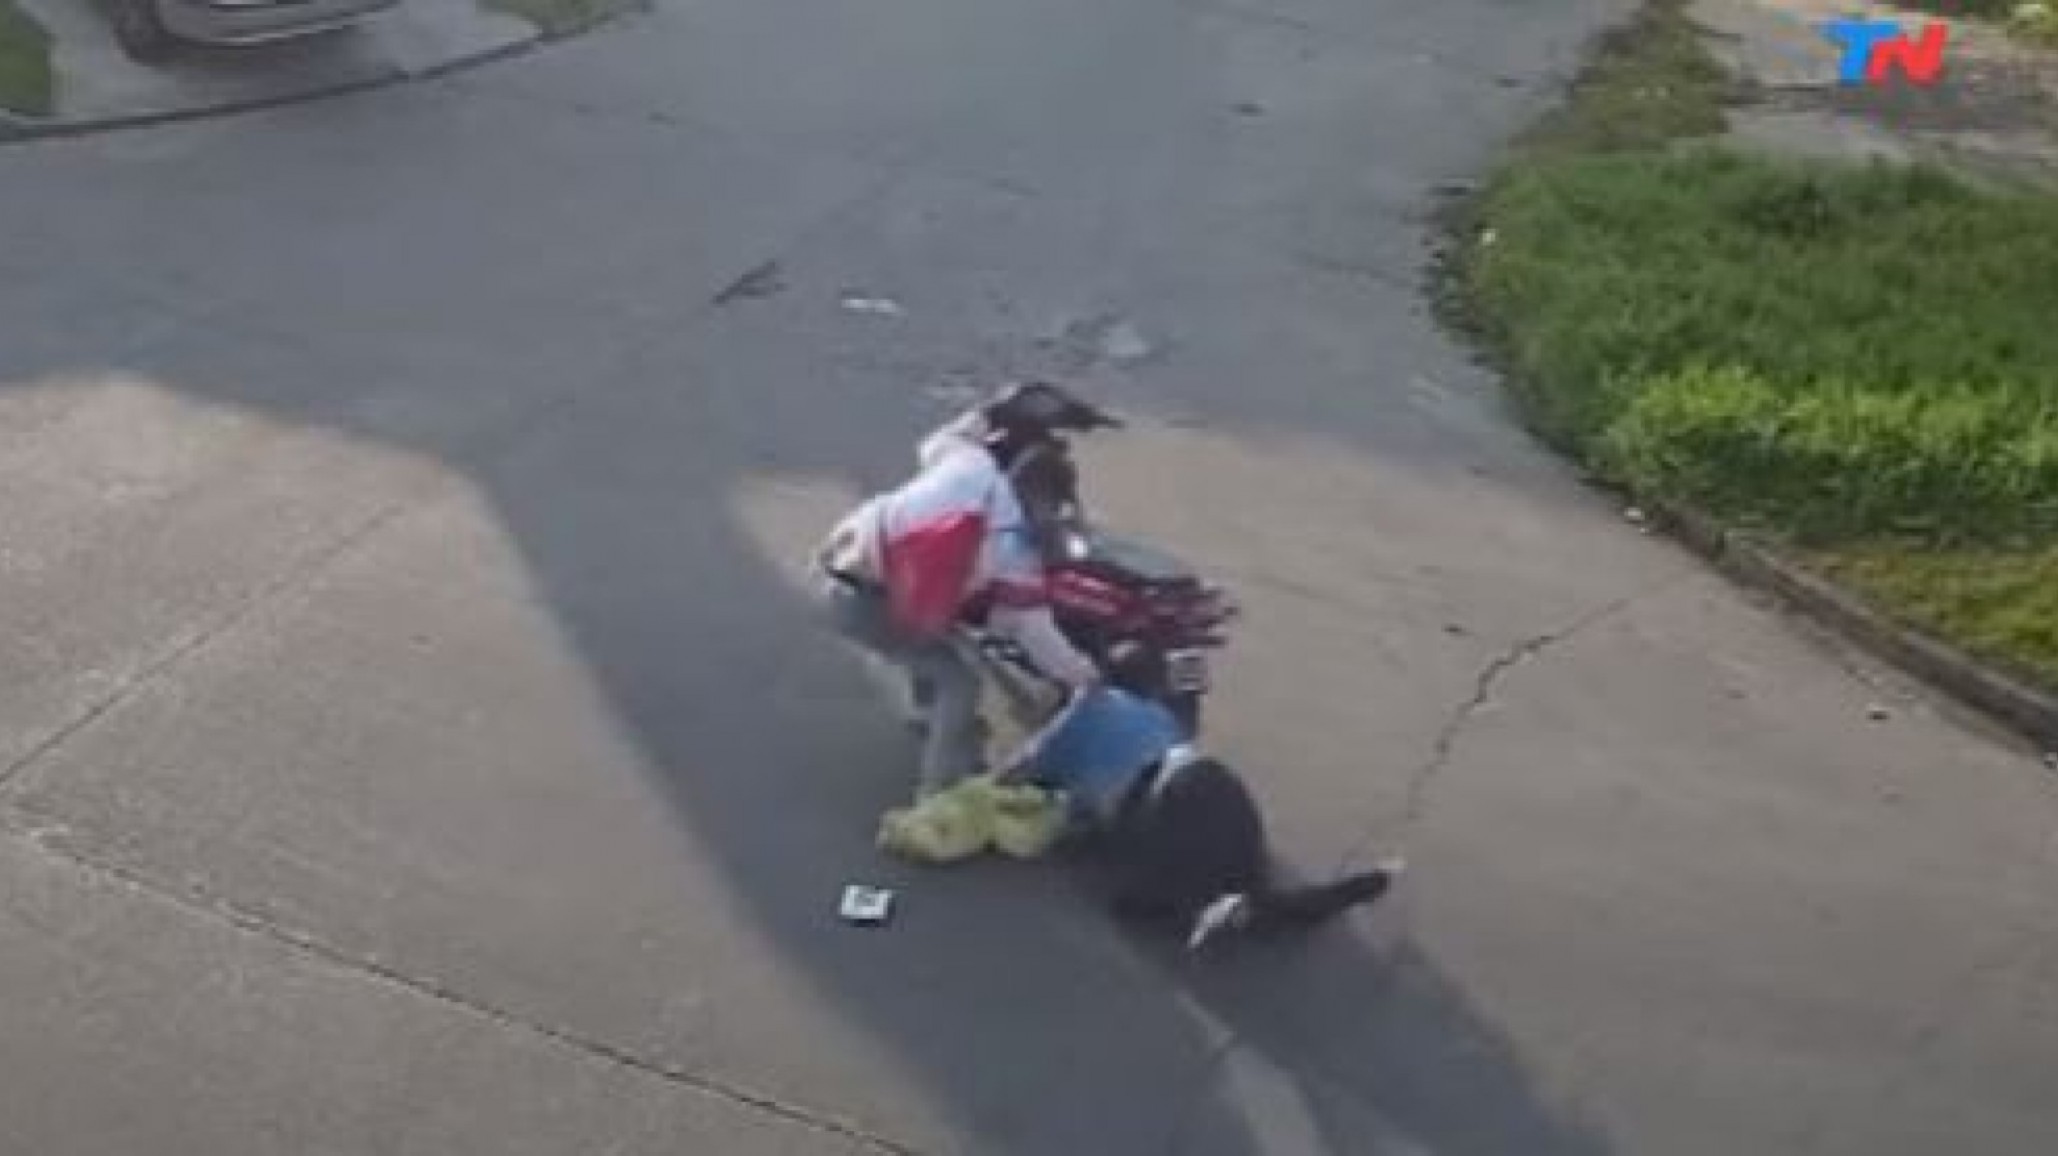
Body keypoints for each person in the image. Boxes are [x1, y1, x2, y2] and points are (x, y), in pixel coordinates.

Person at [814, 385, 1104, 800]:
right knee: (960, 683)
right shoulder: (1013, 550)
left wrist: (997, 411)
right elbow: (1036, 634)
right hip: (863, 602)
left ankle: (925, 715)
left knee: (942, 625)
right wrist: (1086, 678)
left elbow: (940, 440)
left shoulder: (971, 464)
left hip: (839, 557)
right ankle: (939, 791)